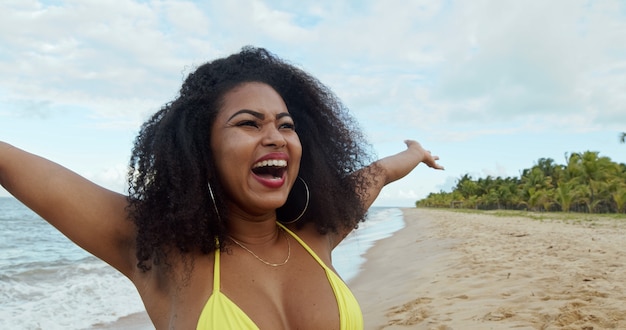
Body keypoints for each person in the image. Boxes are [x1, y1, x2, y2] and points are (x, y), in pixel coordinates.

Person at [0, 46, 443, 329]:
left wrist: (416, 152)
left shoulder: (318, 233)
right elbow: (13, 164)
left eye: (286, 126)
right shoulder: (161, 252)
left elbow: (380, 172)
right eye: (248, 123)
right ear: (201, 150)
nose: (275, 137)